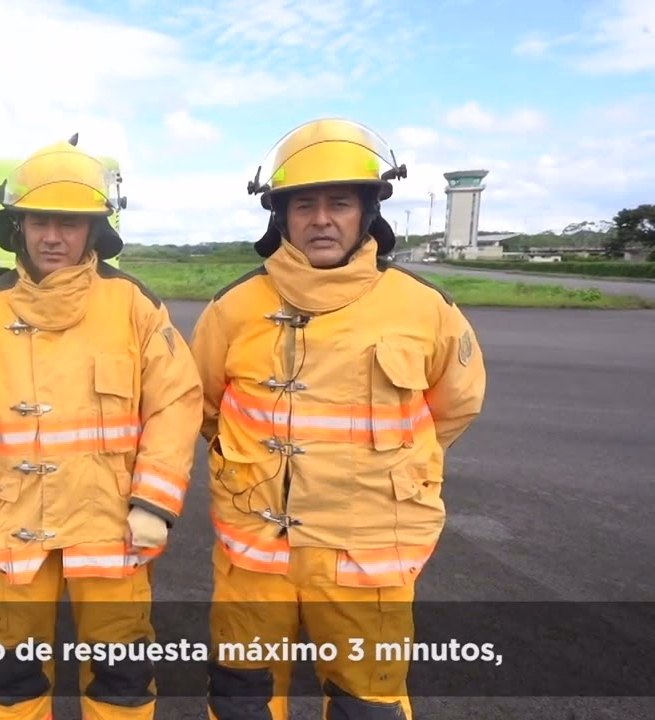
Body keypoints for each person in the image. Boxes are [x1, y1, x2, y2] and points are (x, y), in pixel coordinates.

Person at [189, 118, 487, 720]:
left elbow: (454, 405)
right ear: (281, 216)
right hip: (254, 554)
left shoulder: (426, 309)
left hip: (368, 556)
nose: (321, 219)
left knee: (367, 707)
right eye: (304, 205)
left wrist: (387, 466)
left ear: (368, 211)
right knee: (242, 700)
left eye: (340, 203)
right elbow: (206, 405)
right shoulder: (231, 309)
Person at [0, 134, 203, 720]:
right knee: (13, 678)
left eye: (69, 223)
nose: (53, 236)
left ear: (93, 231)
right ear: (17, 226)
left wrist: (155, 502)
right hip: (11, 527)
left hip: (112, 528)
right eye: (39, 221)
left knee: (122, 678)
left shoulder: (133, 306)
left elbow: (175, 402)